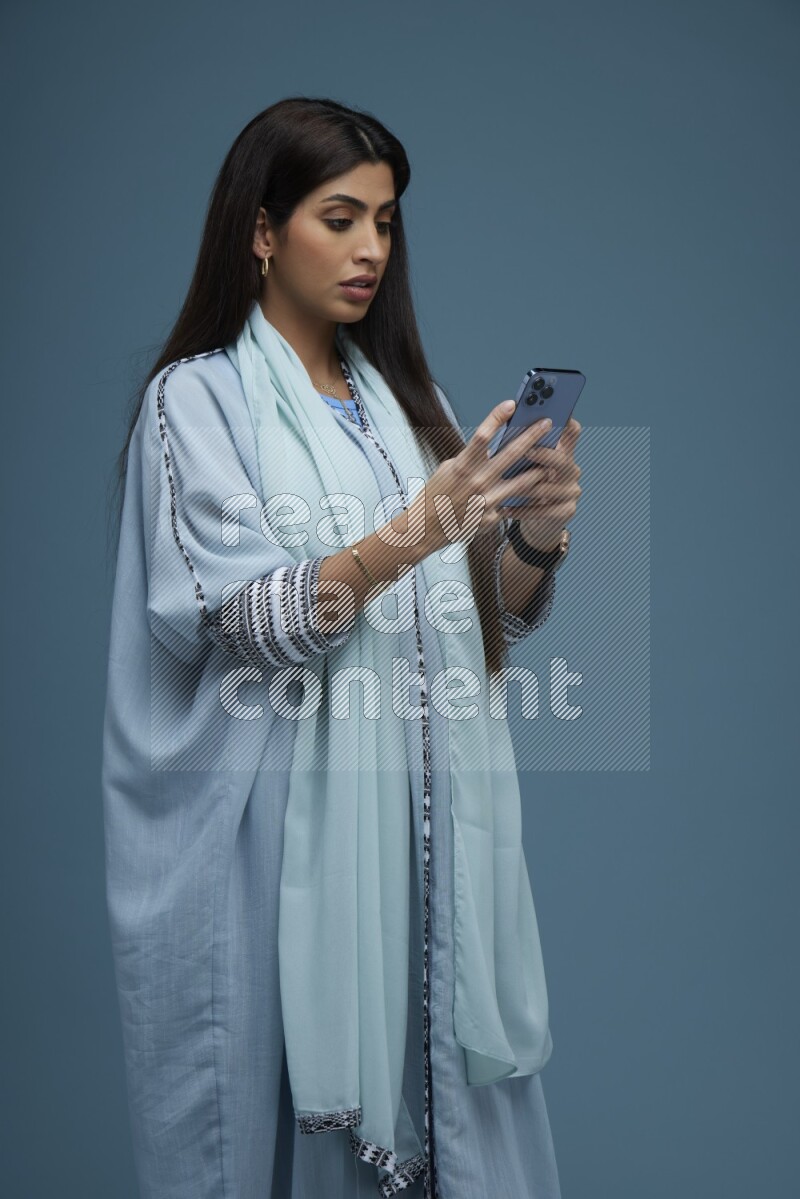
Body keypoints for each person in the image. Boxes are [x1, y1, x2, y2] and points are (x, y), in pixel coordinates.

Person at [102, 95, 582, 1199]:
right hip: (274, 850)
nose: (371, 247)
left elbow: (486, 618)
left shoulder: (407, 403)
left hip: (422, 844)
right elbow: (244, 618)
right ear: (262, 231)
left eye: (386, 221)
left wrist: (540, 534)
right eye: (340, 217)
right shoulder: (199, 399)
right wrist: (419, 528)